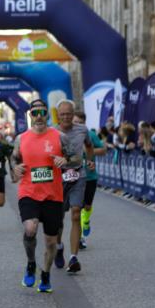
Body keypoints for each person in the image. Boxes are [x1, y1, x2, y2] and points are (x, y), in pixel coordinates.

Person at [11, 98, 66, 293]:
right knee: (30, 228)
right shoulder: (21, 138)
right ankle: (31, 263)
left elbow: (77, 158)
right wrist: (14, 168)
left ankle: (46, 274)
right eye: (35, 113)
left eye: (43, 112)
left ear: (47, 115)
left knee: (51, 241)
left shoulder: (59, 136)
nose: (39, 116)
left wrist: (65, 159)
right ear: (30, 116)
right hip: (29, 192)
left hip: (53, 195)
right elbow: (14, 159)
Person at [55, 101, 94, 273]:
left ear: (73, 114)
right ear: (58, 115)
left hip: (78, 175)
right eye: (62, 114)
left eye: (68, 114)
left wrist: (91, 160)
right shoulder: (51, 133)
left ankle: (73, 258)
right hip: (58, 177)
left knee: (76, 213)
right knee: (58, 219)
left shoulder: (82, 129)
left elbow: (89, 146)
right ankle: (58, 246)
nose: (66, 117)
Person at [74, 110, 106, 245]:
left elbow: (103, 150)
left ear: (84, 124)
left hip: (90, 177)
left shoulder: (90, 135)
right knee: (77, 208)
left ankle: (86, 221)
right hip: (74, 177)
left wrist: (88, 151)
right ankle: (80, 238)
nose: (77, 125)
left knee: (87, 206)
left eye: (80, 123)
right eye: (75, 122)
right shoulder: (67, 135)